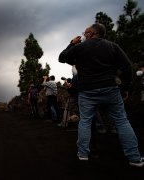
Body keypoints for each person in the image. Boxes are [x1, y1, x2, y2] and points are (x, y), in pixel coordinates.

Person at [59, 23, 143, 167]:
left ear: (91, 33)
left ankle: (83, 154)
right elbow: (127, 67)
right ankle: (134, 158)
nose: (84, 34)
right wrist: (124, 88)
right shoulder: (112, 46)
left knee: (85, 121)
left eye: (85, 32)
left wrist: (71, 43)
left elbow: (62, 58)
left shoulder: (79, 48)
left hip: (87, 92)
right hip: (110, 89)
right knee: (122, 121)